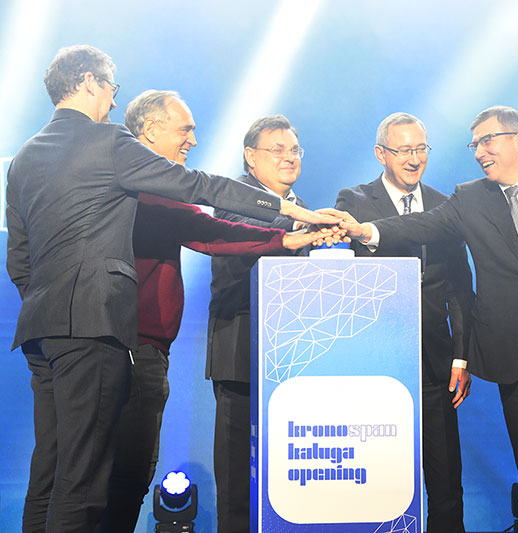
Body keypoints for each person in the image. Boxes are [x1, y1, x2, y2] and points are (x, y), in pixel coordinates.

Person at [5, 45, 338, 533]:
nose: (114, 102)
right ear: (91, 83)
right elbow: (201, 190)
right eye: (112, 89)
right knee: (84, 481)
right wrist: (289, 211)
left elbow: (19, 259)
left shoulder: (23, 159)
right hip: (98, 330)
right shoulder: (110, 143)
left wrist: (50, 303)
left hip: (41, 331)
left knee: (49, 475)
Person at [333, 105, 518, 532]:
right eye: (474, 144)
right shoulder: (470, 198)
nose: (478, 152)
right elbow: (421, 225)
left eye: (487, 141)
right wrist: (367, 231)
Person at [96, 90, 332, 532]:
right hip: (135, 343)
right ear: (150, 130)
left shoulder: (151, 186)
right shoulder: (143, 184)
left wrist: (293, 235)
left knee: (123, 472)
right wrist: (287, 231)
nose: (192, 140)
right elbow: (211, 228)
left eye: (295, 149)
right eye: (185, 130)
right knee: (113, 473)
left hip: (167, 346)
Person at [335, 112, 474, 532]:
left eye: (421, 149)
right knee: (378, 478)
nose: (415, 159)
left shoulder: (447, 205)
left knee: (445, 481)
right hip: (375, 362)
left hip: (435, 363)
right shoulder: (354, 202)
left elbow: (459, 288)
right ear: (381, 154)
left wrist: (461, 356)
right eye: (404, 150)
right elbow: (339, 280)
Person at [206, 114, 315, 532]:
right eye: (277, 150)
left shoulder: (304, 208)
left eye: (295, 150)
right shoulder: (236, 196)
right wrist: (301, 223)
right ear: (251, 157)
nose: (289, 157)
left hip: (294, 360)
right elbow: (249, 227)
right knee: (238, 478)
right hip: (242, 353)